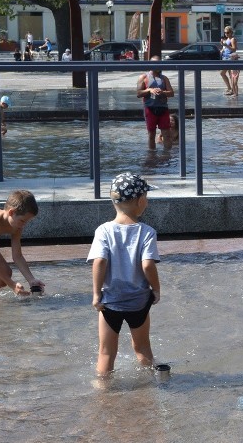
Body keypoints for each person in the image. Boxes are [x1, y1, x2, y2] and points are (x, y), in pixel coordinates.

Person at [88, 172, 161, 377]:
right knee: (142, 348)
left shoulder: (103, 231)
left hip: (110, 301)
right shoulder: (147, 232)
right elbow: (147, 265)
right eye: (146, 197)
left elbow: (99, 262)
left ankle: (102, 390)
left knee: (106, 353)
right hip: (139, 302)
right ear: (140, 201)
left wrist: (96, 294)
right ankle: (149, 384)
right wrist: (156, 289)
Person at [137, 66, 175, 149]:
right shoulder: (144, 77)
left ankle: (167, 155)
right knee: (151, 135)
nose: (158, 67)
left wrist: (163, 92)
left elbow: (171, 93)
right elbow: (139, 93)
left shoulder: (164, 78)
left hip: (163, 108)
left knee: (166, 134)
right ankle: (152, 155)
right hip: (150, 108)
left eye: (159, 64)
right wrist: (149, 90)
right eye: (156, 64)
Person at [220, 26, 238, 96]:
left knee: (227, 74)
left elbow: (234, 49)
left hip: (230, 59)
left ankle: (232, 90)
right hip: (225, 58)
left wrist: (226, 45)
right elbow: (225, 49)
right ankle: (231, 89)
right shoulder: (227, 39)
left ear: (231, 32)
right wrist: (222, 50)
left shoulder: (233, 39)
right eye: (225, 32)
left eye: (227, 32)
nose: (226, 34)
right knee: (225, 74)